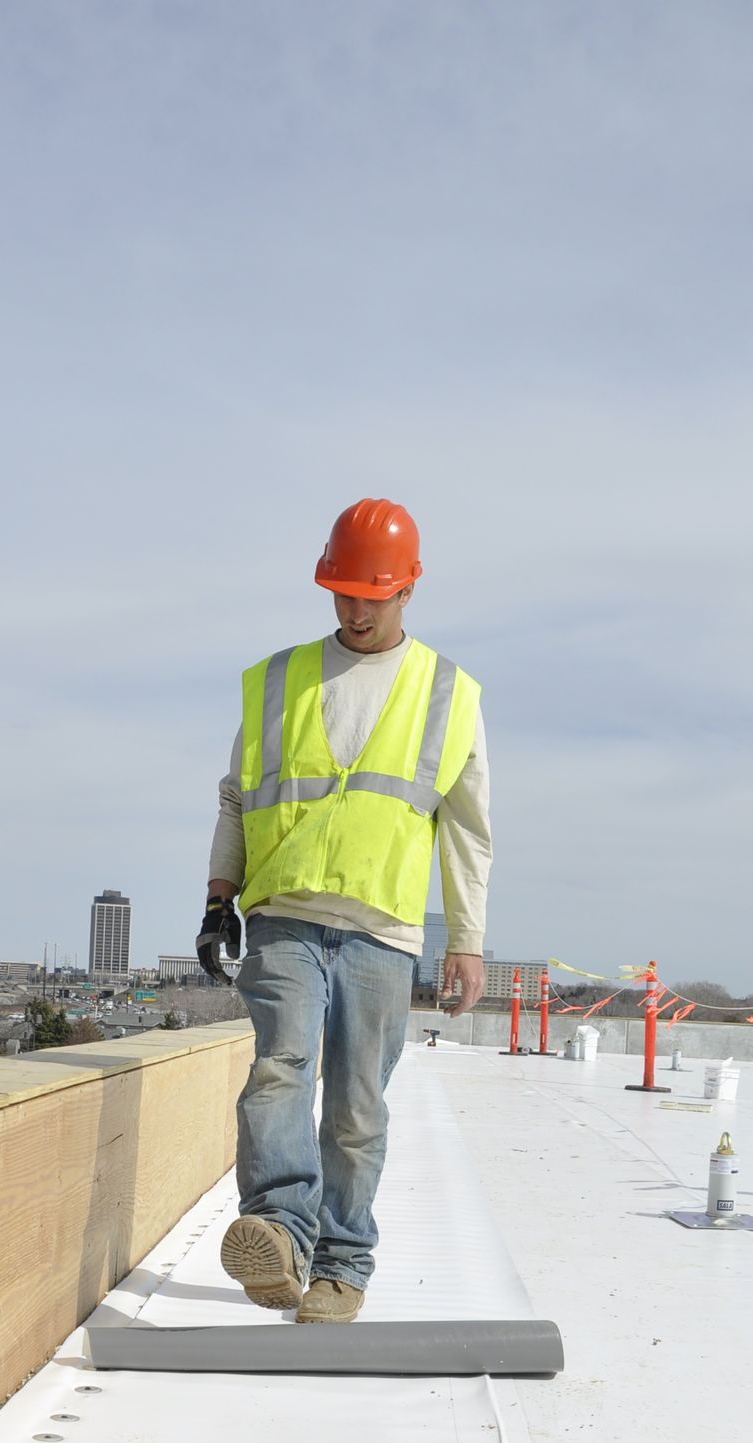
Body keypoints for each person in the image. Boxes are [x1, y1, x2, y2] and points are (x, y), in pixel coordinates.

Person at [196, 497, 493, 1323]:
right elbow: (237, 798)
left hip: (383, 930)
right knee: (277, 1073)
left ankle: (341, 1264)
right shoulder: (277, 680)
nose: (355, 611)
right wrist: (220, 898)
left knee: (357, 1106)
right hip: (283, 914)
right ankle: (278, 1232)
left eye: (373, 594)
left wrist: (465, 941)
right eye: (342, 593)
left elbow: (467, 831)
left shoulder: (448, 691)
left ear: (408, 589)